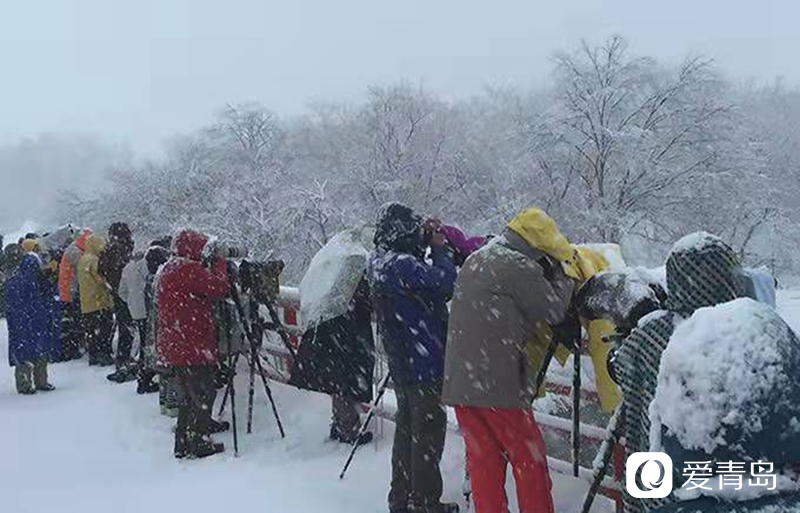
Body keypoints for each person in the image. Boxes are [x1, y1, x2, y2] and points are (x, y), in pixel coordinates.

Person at [442, 209, 575, 513]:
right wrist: (561, 274)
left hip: (462, 382)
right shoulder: (517, 264)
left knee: (484, 461)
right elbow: (553, 310)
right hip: (498, 384)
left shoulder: (478, 258)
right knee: (530, 459)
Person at [614, 232, 745, 513]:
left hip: (663, 473)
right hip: (734, 477)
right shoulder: (746, 328)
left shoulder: (654, 333)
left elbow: (621, 370)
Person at [369, 203, 458, 513]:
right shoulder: (402, 265)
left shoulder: (379, 261)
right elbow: (443, 284)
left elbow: (417, 282)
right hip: (423, 363)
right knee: (428, 433)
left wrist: (424, 244)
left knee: (407, 430)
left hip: (403, 362)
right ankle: (425, 502)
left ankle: (401, 498)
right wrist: (440, 250)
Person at [156, 229, 230, 459]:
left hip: (178, 341)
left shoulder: (169, 268)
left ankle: (186, 437)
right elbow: (219, 288)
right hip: (192, 342)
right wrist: (220, 263)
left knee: (191, 393)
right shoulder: (188, 269)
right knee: (203, 391)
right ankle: (197, 440)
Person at [290, 277, 375, 445]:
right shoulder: (351, 284)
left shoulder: (331, 282)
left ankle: (340, 424)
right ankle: (348, 430)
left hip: (334, 336)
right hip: (345, 337)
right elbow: (362, 304)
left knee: (338, 381)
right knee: (344, 382)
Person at [6, 251, 57, 394]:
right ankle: (41, 381)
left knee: (23, 352)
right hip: (37, 320)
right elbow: (48, 298)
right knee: (40, 350)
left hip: (20, 323)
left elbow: (9, 305)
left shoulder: (13, 281)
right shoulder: (38, 280)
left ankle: (24, 384)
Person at [98, 222, 135, 368]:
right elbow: (125, 267)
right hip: (124, 291)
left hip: (115, 290)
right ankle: (123, 358)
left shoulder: (108, 249)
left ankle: (122, 357)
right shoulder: (121, 248)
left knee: (122, 325)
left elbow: (101, 270)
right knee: (126, 326)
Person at [78, 234, 115, 367]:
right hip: (99, 301)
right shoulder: (94, 260)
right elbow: (100, 279)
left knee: (91, 332)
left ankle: (93, 356)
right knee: (104, 330)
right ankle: (104, 356)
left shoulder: (82, 259)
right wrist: (110, 287)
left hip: (86, 302)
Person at [58, 229, 92, 360]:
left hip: (69, 290)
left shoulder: (75, 249)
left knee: (72, 321)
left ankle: (73, 347)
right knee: (73, 322)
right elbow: (83, 270)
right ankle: (72, 349)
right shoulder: (75, 251)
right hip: (70, 292)